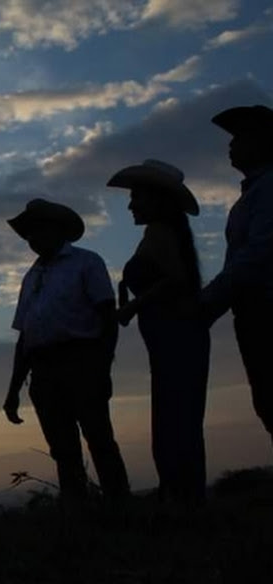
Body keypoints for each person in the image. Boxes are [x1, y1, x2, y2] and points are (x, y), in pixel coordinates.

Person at [3, 198, 130, 506]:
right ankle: (77, 507)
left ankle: (119, 504)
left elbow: (106, 316)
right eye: (28, 233)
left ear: (57, 230)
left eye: (38, 230)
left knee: (99, 438)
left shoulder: (86, 263)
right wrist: (13, 390)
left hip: (81, 361)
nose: (32, 238)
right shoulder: (31, 277)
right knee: (62, 447)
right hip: (44, 370)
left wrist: (102, 366)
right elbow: (26, 337)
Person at [107, 159, 210, 505]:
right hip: (172, 336)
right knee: (178, 415)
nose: (131, 204)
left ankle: (182, 497)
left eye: (137, 196)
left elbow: (174, 280)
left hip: (174, 335)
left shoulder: (158, 233)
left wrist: (132, 308)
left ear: (156, 199)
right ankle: (183, 495)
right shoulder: (165, 233)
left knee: (175, 417)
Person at [201, 104, 273, 443]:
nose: (231, 145)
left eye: (241, 137)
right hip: (252, 311)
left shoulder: (268, 190)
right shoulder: (250, 197)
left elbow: (257, 255)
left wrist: (207, 304)